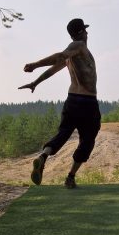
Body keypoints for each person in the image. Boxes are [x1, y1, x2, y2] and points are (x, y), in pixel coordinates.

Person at [18, 18, 99, 189]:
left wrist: (35, 82)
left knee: (63, 133)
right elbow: (59, 56)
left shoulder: (73, 54)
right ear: (81, 33)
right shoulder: (79, 46)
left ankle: (43, 157)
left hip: (72, 101)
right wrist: (35, 65)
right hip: (87, 102)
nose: (87, 33)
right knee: (88, 140)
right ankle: (70, 177)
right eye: (85, 30)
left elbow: (53, 69)